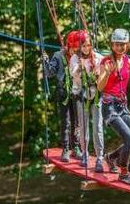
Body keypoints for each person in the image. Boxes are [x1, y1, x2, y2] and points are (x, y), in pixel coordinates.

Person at [97, 28, 130, 185]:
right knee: (128, 139)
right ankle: (124, 173)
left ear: (127, 45)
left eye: (123, 45)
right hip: (110, 107)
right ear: (112, 45)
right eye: (117, 44)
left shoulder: (127, 60)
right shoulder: (106, 62)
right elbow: (99, 87)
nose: (120, 48)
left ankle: (111, 157)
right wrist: (107, 73)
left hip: (122, 106)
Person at [43, 31, 82, 162]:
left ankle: (76, 148)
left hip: (77, 93)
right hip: (63, 93)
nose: (75, 51)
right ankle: (65, 149)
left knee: (77, 122)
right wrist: (46, 62)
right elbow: (49, 73)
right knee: (66, 122)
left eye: (78, 49)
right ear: (68, 45)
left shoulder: (80, 57)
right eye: (74, 49)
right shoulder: (58, 56)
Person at [69, 30, 105, 173]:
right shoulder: (74, 59)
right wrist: (80, 68)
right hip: (82, 96)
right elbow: (73, 75)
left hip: (96, 96)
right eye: (83, 46)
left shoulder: (97, 57)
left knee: (97, 126)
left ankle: (100, 157)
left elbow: (106, 66)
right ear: (79, 47)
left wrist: (99, 72)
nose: (86, 49)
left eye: (88, 46)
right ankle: (85, 153)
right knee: (83, 127)